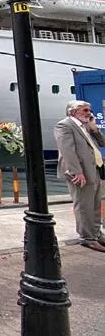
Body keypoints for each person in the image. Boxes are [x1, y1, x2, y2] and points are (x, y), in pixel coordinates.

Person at [53, 100, 105, 252]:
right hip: (80, 172)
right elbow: (67, 151)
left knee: (95, 204)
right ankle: (87, 238)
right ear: (72, 112)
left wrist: (94, 129)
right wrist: (77, 172)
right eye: (85, 110)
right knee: (83, 205)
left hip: (94, 170)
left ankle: (96, 233)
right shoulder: (64, 125)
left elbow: (102, 143)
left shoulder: (86, 126)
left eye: (89, 110)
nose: (89, 113)